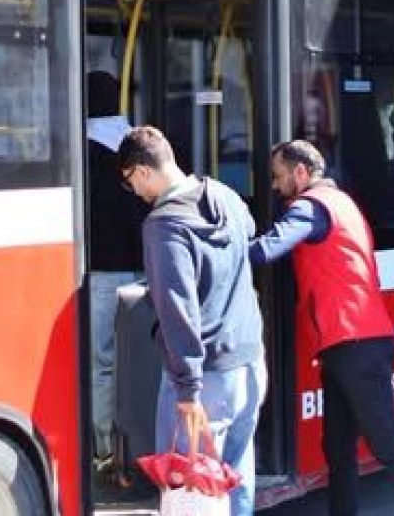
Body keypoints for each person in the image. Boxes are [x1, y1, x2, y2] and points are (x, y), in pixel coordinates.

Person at [249, 140, 394, 516]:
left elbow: (267, 249)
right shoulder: (343, 202)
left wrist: (218, 249)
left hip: (355, 342)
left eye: (278, 176)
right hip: (348, 343)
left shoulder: (309, 207)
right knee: (338, 447)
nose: (275, 186)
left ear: (301, 172)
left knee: (387, 445)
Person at [117, 125, 266, 516]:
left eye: (131, 182)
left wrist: (187, 389)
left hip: (206, 377)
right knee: (234, 476)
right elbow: (250, 233)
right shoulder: (224, 195)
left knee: (192, 484)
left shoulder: (164, 226)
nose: (135, 192)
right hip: (249, 362)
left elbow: (177, 310)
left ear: (142, 171)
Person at [84, 71, 149, 471]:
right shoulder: (141, 146)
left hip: (101, 275)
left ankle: (105, 447)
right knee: (139, 359)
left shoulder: (82, 152)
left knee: (103, 363)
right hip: (145, 272)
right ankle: (140, 443)